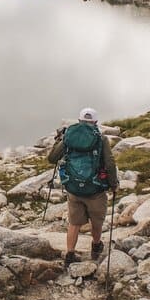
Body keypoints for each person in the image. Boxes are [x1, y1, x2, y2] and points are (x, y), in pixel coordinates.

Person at [47, 107, 118, 266]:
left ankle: (70, 255)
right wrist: (114, 184)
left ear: (79, 120)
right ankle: (95, 247)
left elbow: (52, 159)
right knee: (96, 221)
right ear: (96, 122)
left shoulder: (69, 136)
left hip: (73, 188)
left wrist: (59, 139)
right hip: (95, 189)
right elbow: (110, 163)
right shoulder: (101, 139)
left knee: (74, 223)